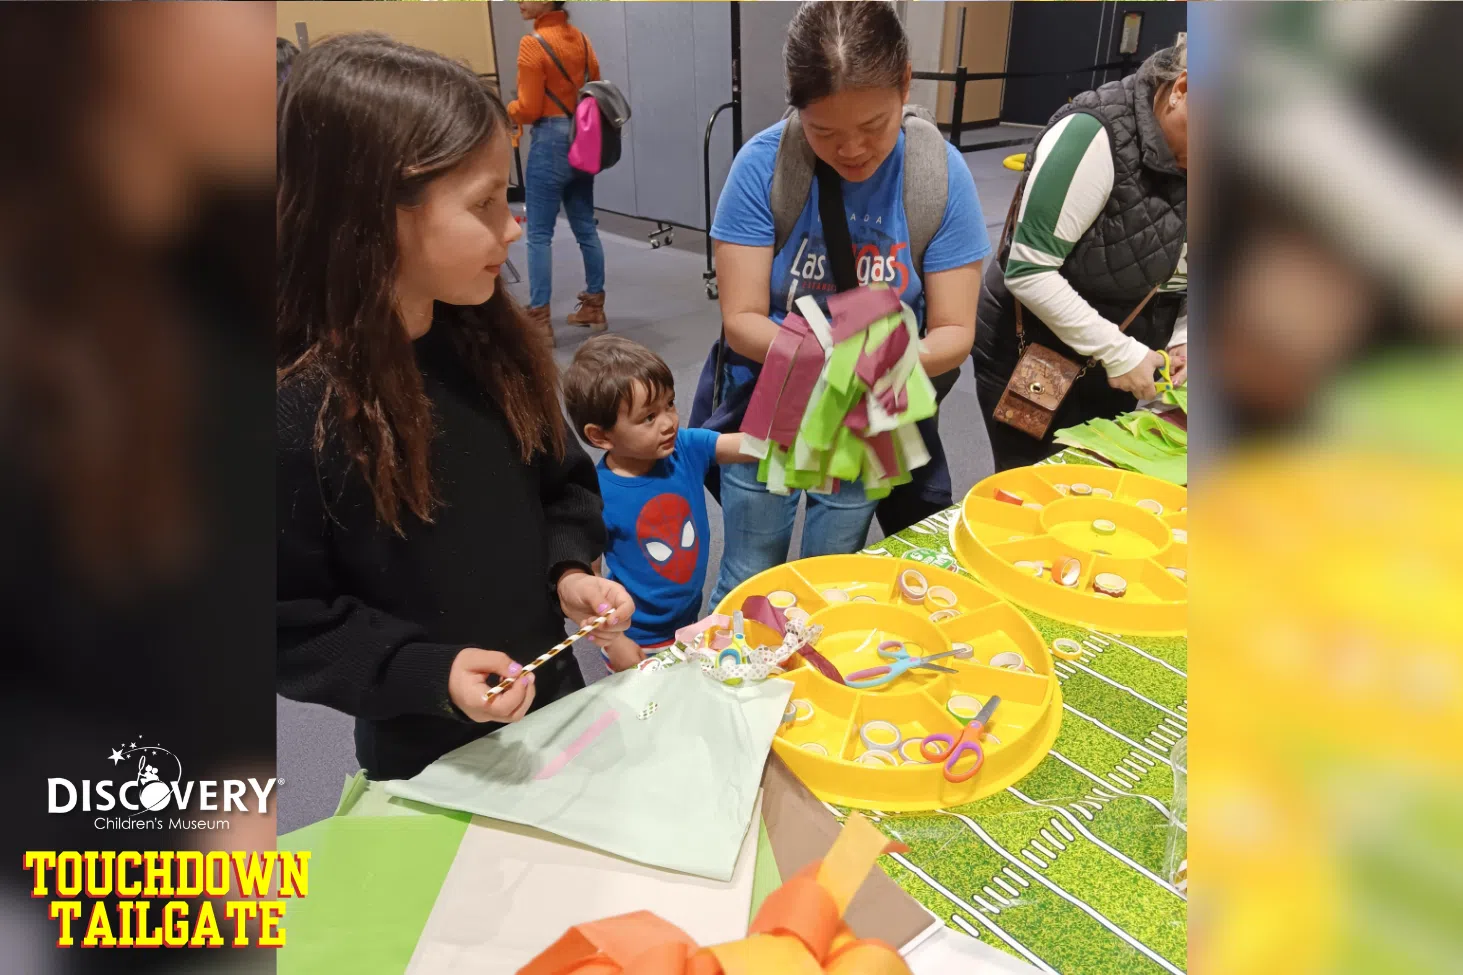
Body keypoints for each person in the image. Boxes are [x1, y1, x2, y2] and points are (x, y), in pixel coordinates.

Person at [276, 34, 634, 782]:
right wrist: (427, 672)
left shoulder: (489, 338)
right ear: (377, 216)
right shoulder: (295, 408)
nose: (511, 225)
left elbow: (562, 481)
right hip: (425, 751)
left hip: (554, 703)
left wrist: (568, 569)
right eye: (481, 204)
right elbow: (288, 622)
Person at [693, 0, 989, 609]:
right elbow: (742, 319)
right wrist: (829, 360)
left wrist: (879, 367)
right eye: (825, 132)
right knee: (749, 576)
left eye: (875, 126)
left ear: (905, 84)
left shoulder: (937, 174)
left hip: (870, 416)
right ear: (798, 108)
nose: (852, 150)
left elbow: (956, 329)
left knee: (832, 583)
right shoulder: (764, 166)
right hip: (770, 403)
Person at [972, 40, 1188, 471]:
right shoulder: (1092, 133)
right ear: (1182, 88)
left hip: (1127, 365)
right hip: (1038, 361)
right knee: (1034, 492)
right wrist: (1119, 351)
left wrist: (1182, 339)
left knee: (1101, 495)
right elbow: (1029, 269)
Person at [563, 335, 750, 670]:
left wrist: (788, 443)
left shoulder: (687, 448)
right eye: (648, 417)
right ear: (600, 436)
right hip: (635, 634)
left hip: (686, 617)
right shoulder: (596, 495)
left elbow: (743, 445)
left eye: (670, 405)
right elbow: (589, 581)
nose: (668, 423)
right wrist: (616, 640)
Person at [508, 1, 608, 345]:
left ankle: (539, 319)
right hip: (583, 138)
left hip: (549, 141)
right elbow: (595, 87)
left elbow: (529, 107)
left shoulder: (532, 44)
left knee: (538, 234)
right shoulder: (582, 40)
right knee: (585, 227)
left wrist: (510, 108)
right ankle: (594, 307)